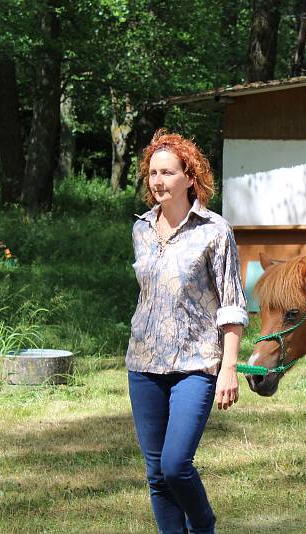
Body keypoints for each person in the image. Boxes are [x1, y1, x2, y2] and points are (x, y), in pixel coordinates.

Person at [126, 129, 248, 534]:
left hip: (196, 364)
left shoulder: (215, 231)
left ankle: (204, 527)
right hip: (143, 363)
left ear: (189, 177)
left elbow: (232, 304)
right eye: (152, 173)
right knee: (156, 475)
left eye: (167, 172)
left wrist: (229, 366)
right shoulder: (141, 229)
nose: (158, 180)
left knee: (176, 465)